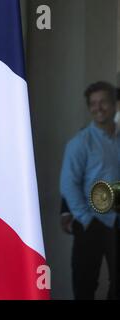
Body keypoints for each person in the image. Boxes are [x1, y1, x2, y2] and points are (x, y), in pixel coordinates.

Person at [60, 81, 120, 300]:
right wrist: (85, 218)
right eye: (93, 104)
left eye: (103, 102)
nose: (98, 108)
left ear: (114, 105)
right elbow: (69, 183)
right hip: (90, 223)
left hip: (117, 221)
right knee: (85, 285)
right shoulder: (80, 142)